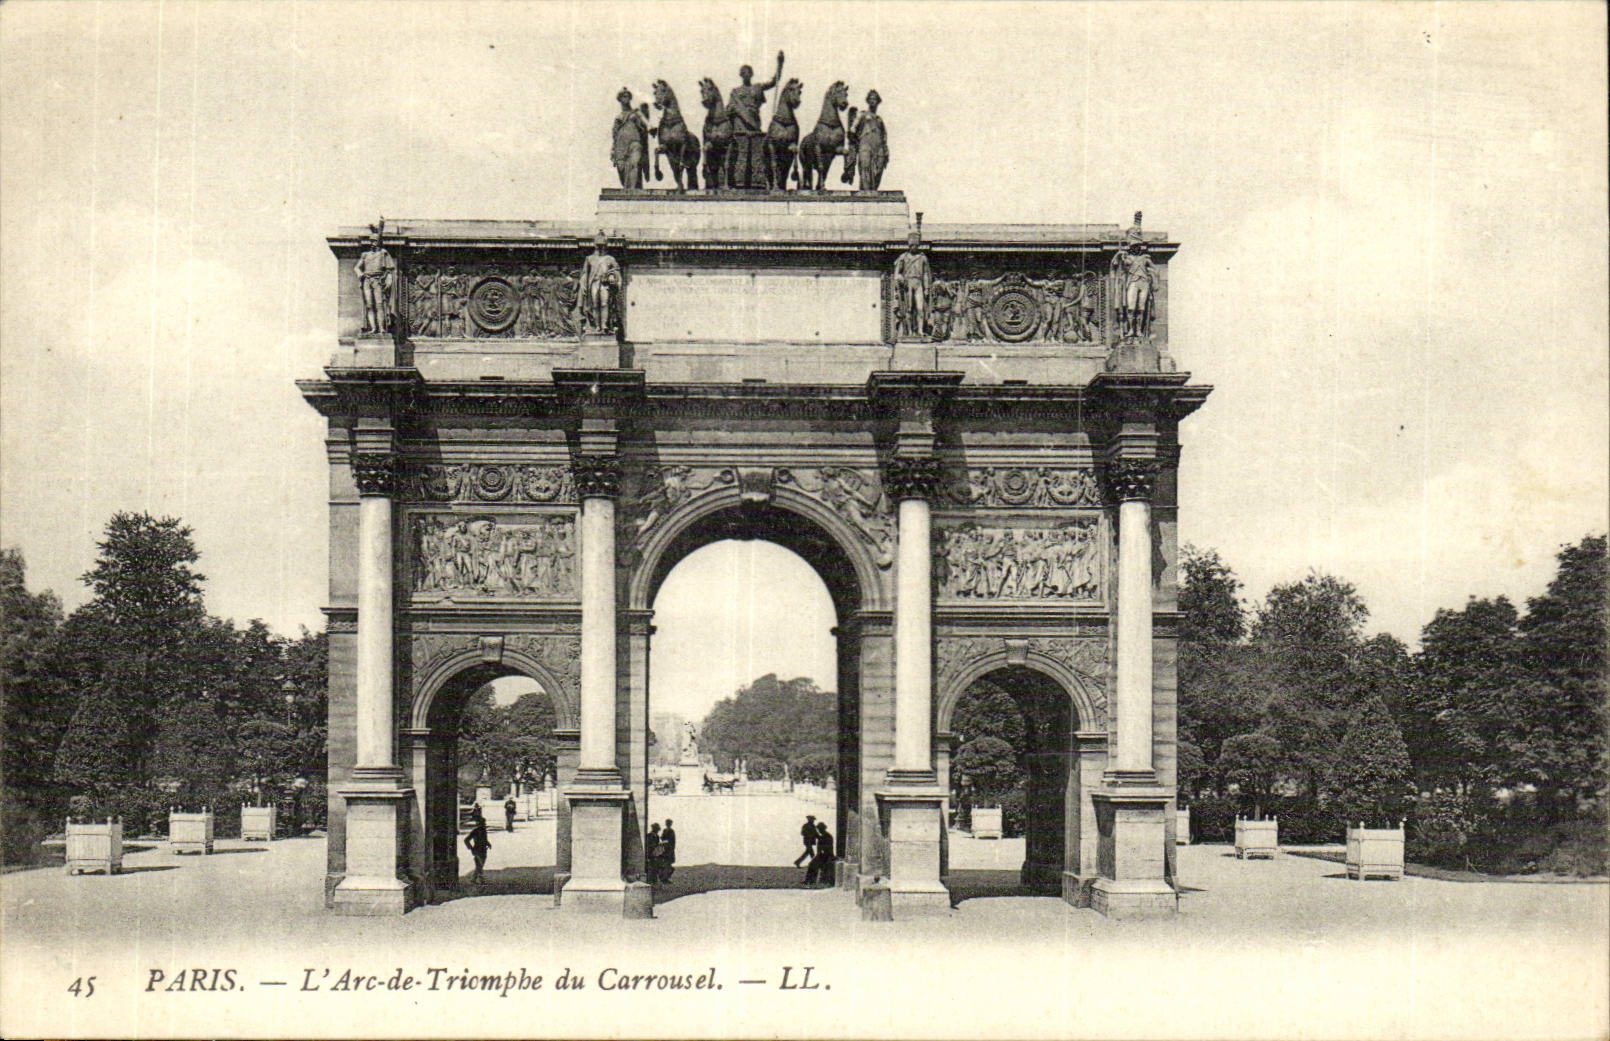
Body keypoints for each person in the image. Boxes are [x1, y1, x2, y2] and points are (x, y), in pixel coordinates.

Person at [726, 51, 785, 188]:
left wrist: (780, 64)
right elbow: (729, 109)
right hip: (740, 126)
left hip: (754, 124)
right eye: (744, 72)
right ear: (741, 75)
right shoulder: (735, 92)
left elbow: (774, 81)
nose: (746, 74)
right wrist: (732, 109)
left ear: (751, 74)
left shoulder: (758, 88)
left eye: (748, 72)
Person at [804, 821, 834, 886]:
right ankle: (810, 881)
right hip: (822, 855)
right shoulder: (823, 836)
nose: (819, 830)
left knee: (813, 864)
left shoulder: (826, 836)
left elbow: (826, 849)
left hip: (826, 856)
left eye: (820, 829)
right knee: (812, 864)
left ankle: (810, 881)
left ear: (823, 829)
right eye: (818, 829)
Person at [464, 815, 491, 885]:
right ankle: (482, 880)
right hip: (477, 850)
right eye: (481, 823)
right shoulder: (475, 831)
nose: (483, 825)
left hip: (484, 850)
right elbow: (466, 840)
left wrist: (488, 844)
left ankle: (473, 879)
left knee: (480, 865)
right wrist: (471, 848)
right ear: (478, 824)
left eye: (484, 823)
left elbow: (485, 839)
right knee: (479, 864)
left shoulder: (484, 831)